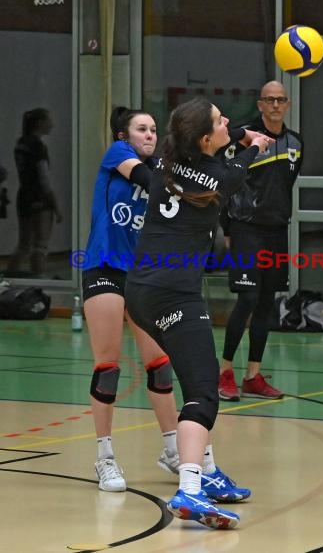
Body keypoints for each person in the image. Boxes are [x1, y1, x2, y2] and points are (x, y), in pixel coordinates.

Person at [125, 97, 270, 529]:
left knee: (191, 378)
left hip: (141, 293)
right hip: (174, 297)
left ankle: (206, 473)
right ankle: (190, 489)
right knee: (204, 394)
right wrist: (255, 144)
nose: (228, 121)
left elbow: (224, 146)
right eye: (220, 120)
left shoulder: (169, 159)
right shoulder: (218, 175)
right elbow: (238, 169)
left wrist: (241, 133)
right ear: (205, 138)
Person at [83, 107, 180, 492]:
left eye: (154, 130)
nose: (150, 135)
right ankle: (104, 458)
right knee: (108, 367)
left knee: (159, 364)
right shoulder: (118, 155)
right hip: (104, 267)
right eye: (142, 129)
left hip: (141, 274)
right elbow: (149, 179)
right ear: (125, 135)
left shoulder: (159, 165)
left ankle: (173, 450)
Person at [218, 80, 304, 401]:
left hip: (276, 231)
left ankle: (253, 375)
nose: (275, 105)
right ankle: (225, 371)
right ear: (260, 105)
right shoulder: (244, 139)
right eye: (269, 100)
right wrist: (227, 229)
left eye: (281, 100)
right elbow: (225, 184)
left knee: (267, 302)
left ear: (288, 104)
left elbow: (285, 185)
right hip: (245, 230)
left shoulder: (296, 142)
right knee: (248, 299)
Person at [7, 108, 63, 277]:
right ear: (39, 123)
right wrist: (55, 205)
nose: (51, 124)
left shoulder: (21, 143)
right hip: (39, 199)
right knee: (40, 245)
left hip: (23, 196)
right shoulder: (38, 146)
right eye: (48, 120)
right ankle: (39, 279)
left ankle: (8, 278)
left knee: (24, 245)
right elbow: (43, 179)